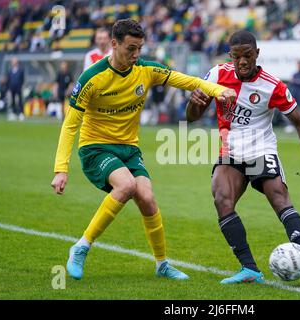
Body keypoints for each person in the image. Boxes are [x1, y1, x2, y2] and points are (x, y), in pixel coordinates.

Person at [51, 19, 236, 281]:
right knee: (126, 186)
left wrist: (218, 90)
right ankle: (81, 247)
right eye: (131, 49)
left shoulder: (146, 69)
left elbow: (186, 81)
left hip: (129, 149)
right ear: (114, 44)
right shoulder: (91, 78)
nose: (136, 55)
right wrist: (61, 169)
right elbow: (70, 125)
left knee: (147, 199)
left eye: (139, 48)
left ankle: (162, 264)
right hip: (96, 148)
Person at [186, 30, 300, 285]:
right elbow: (191, 117)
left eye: (247, 55)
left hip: (260, 149)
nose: (242, 62)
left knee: (279, 197)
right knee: (222, 199)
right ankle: (249, 269)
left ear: (257, 53)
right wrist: (195, 102)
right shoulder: (216, 74)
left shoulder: (272, 85)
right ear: (230, 56)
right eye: (236, 57)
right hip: (231, 151)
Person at [6, 57, 25, 121]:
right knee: (13, 101)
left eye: (14, 61)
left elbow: (22, 79)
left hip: (18, 87)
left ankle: (21, 113)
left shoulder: (20, 70)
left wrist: (21, 86)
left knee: (20, 101)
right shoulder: (10, 70)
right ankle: (13, 113)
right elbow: (8, 79)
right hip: (12, 88)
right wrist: (8, 87)